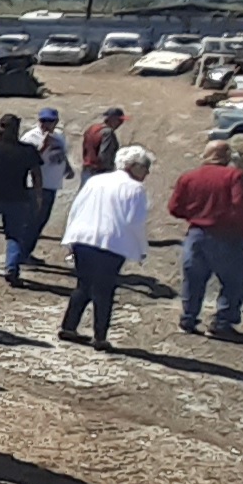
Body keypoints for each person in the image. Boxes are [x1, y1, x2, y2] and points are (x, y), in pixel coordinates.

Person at [58, 145, 153, 351]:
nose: (147, 172)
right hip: (112, 242)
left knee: (83, 285)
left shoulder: (96, 180)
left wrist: (70, 237)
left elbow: (76, 208)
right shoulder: (135, 189)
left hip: (83, 237)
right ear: (133, 166)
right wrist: (140, 248)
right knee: (104, 289)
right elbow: (135, 221)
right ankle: (100, 336)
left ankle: (69, 326)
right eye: (145, 167)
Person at [169, 140, 243, 338]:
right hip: (227, 236)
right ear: (226, 156)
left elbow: (174, 208)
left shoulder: (188, 177)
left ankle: (188, 318)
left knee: (193, 279)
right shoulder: (235, 176)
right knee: (232, 281)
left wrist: (195, 214)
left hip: (196, 234)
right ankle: (222, 322)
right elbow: (241, 206)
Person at [0, 114, 42, 287]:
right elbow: (37, 175)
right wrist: (38, 195)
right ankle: (11, 267)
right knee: (14, 236)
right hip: (18, 198)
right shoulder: (28, 150)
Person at [19, 107, 74, 261]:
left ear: (56, 122)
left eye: (50, 121)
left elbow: (62, 153)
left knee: (41, 221)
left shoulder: (58, 136)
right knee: (31, 221)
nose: (46, 124)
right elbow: (27, 161)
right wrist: (43, 145)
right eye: (43, 121)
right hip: (36, 186)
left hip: (52, 184)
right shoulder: (30, 137)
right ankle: (21, 254)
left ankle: (27, 252)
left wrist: (67, 168)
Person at [81, 107, 126, 184]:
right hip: (99, 173)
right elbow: (104, 156)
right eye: (120, 120)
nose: (121, 123)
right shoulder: (108, 133)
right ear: (112, 119)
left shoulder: (92, 128)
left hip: (87, 170)